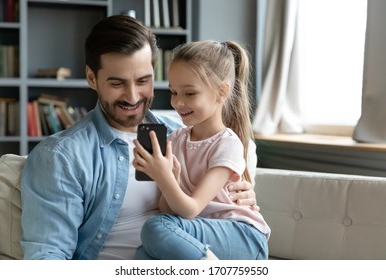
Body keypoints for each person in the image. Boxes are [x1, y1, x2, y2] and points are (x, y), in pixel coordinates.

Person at [20, 15, 258, 260]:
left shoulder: (183, 134)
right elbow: (47, 257)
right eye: (117, 83)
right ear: (92, 78)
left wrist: (236, 197)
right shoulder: (62, 156)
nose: (132, 97)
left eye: (143, 81)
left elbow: (211, 209)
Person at [132, 40, 270, 260]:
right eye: (173, 92)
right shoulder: (176, 139)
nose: (177, 102)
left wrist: (164, 177)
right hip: (200, 232)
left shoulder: (227, 144)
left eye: (189, 93)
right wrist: (172, 180)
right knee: (143, 254)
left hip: (242, 235)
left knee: (155, 227)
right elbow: (168, 210)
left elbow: (191, 209)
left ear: (221, 92)